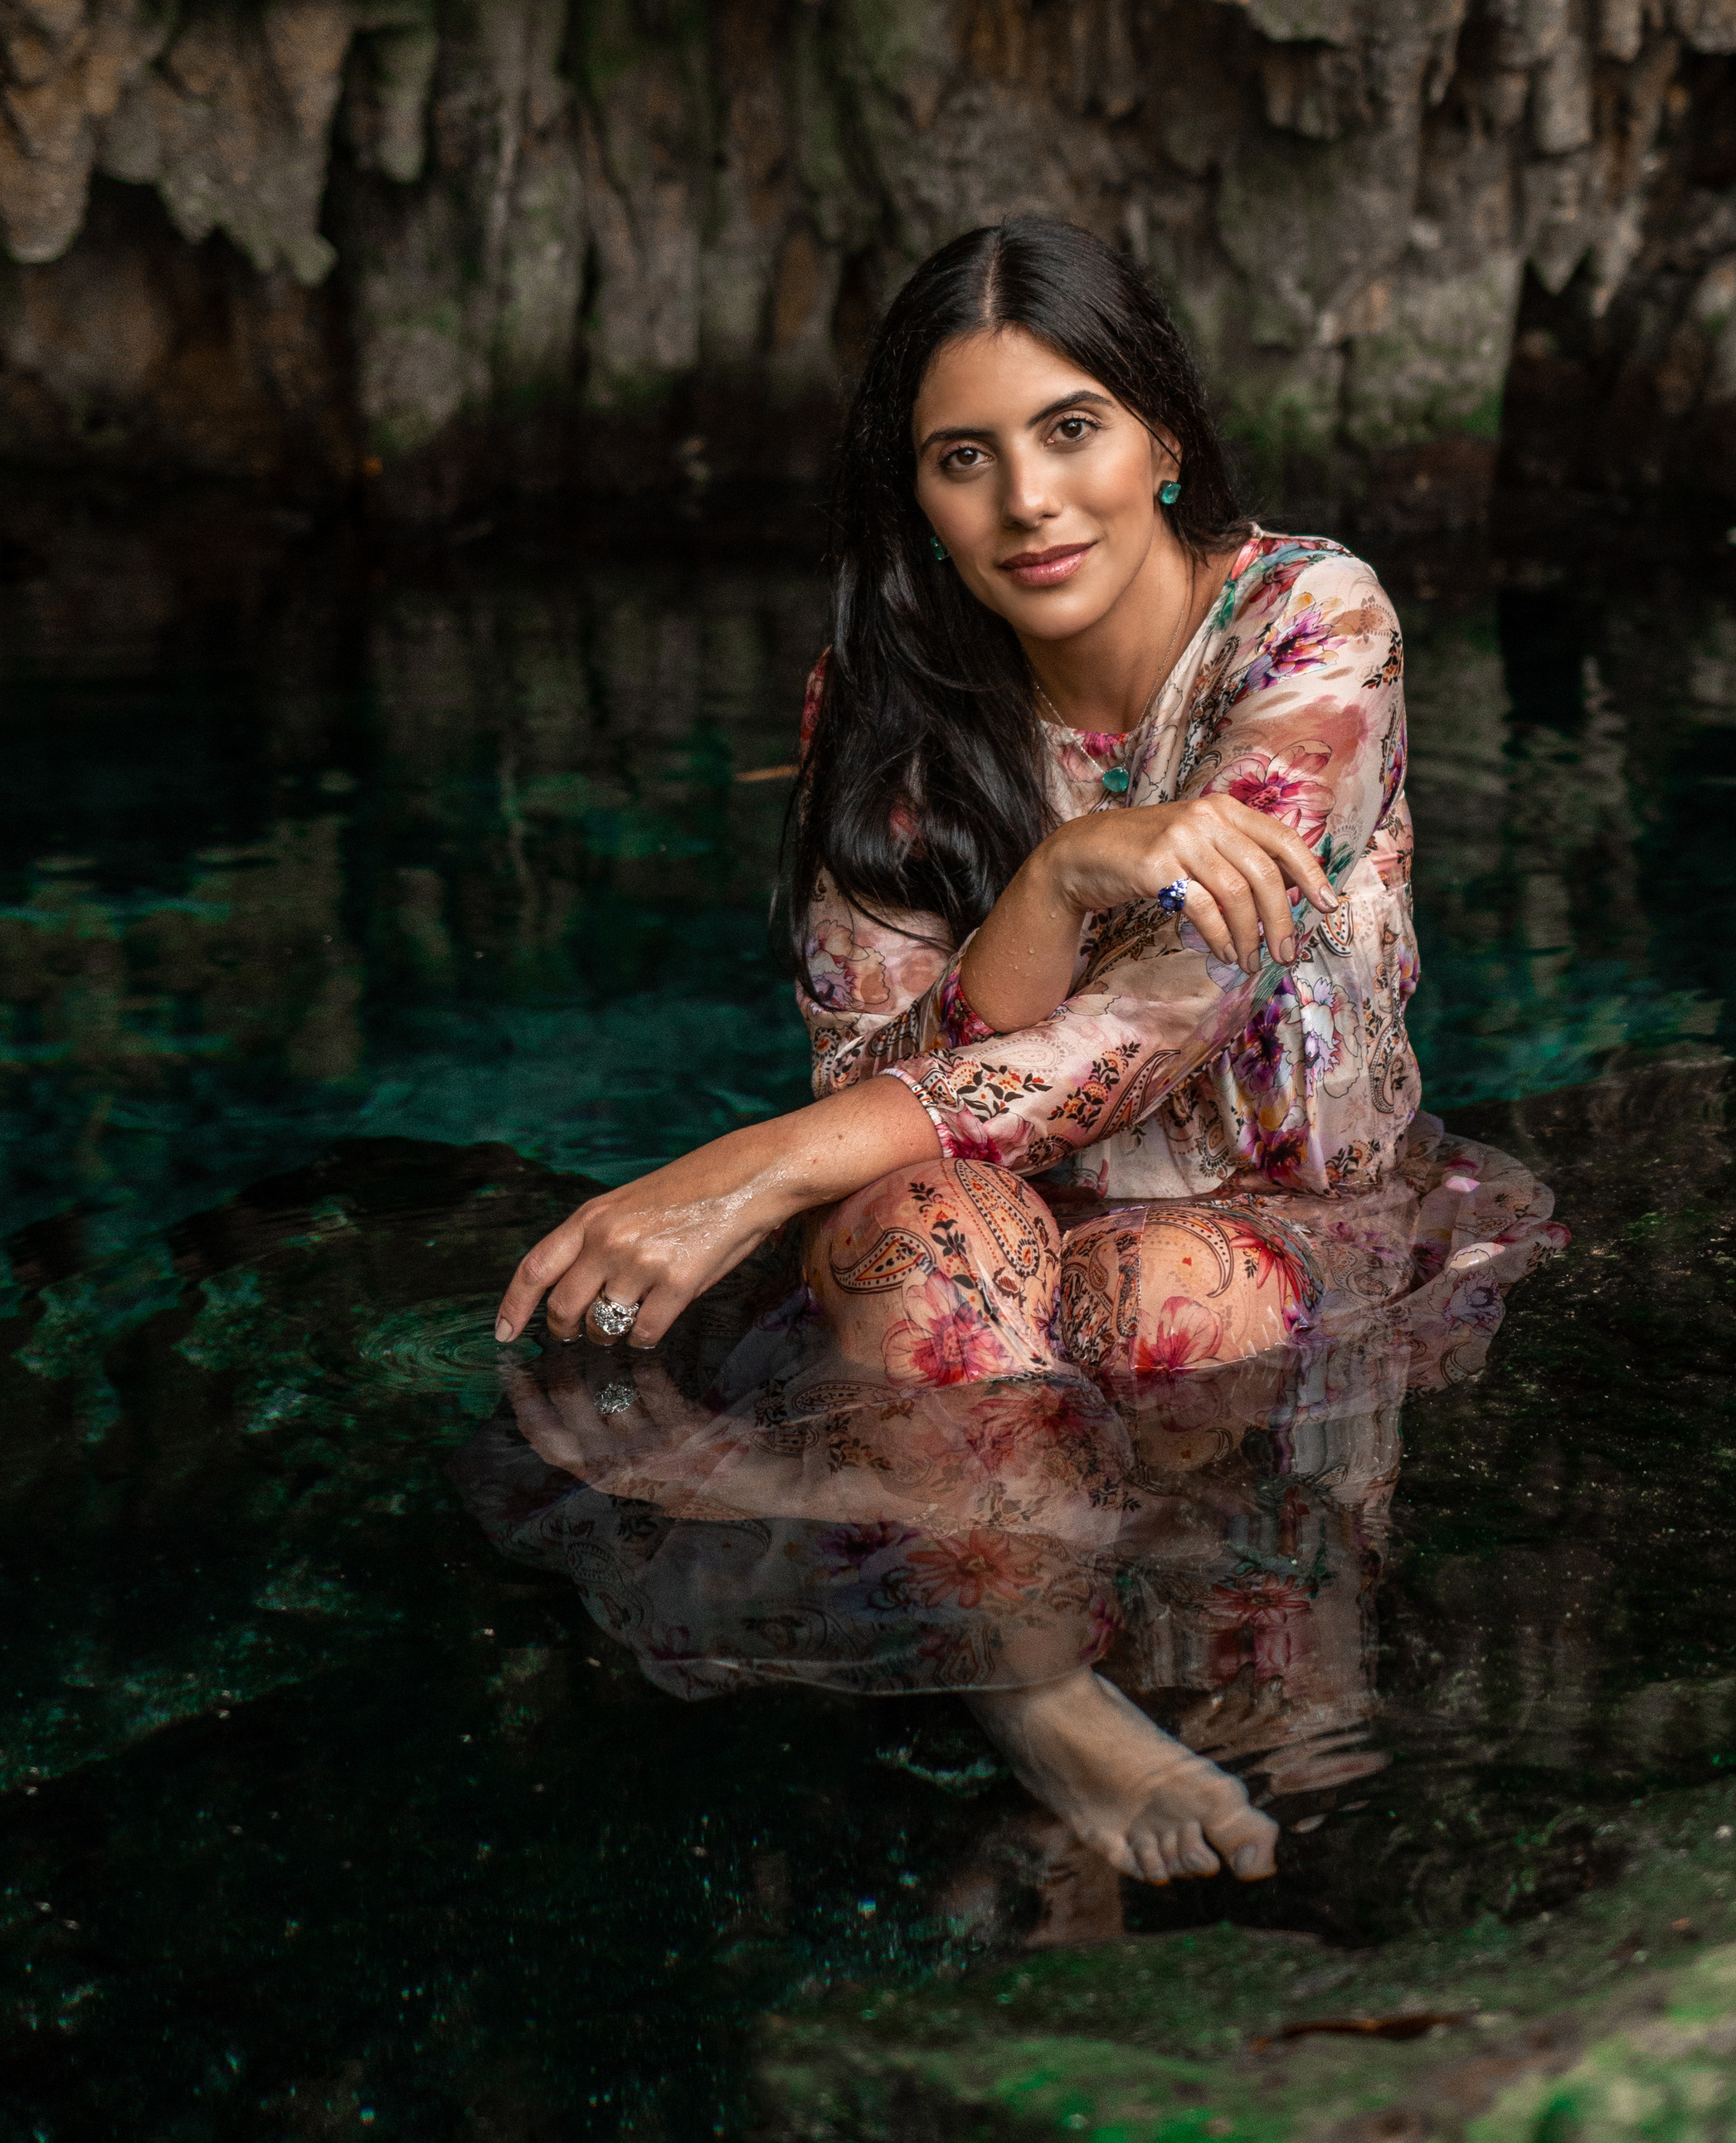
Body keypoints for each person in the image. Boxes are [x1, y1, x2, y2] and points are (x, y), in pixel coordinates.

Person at [472, 217, 1564, 1889]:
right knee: (923, 1226)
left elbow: (1143, 1037)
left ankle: (1057, 1675)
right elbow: (874, 1084)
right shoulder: (883, 703)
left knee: (1166, 1355)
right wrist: (1055, 877)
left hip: (1277, 1228)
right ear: (914, 492)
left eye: (1069, 431)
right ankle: (1038, 1695)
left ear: (1159, 440)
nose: (1026, 502)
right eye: (961, 458)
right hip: (986, 1250)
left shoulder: (1308, 627)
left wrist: (740, 1169)